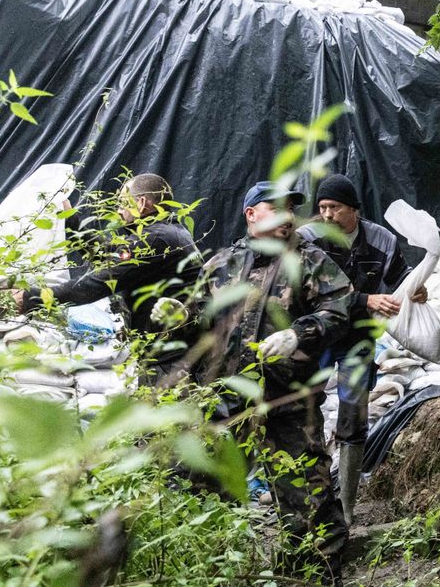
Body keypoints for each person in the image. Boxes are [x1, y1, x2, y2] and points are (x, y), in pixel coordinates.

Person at [187, 180, 353, 585]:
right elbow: (193, 325)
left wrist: (302, 331)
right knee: (208, 490)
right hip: (228, 402)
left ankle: (311, 577)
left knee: (308, 498)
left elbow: (340, 305)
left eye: (292, 209)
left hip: (289, 402)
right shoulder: (222, 265)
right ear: (251, 215)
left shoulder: (309, 261)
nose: (288, 217)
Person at [297, 173, 427, 524]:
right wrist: (367, 299)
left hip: (356, 338)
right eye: (321, 207)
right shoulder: (308, 240)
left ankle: (347, 508)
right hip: (317, 333)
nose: (326, 215)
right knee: (303, 409)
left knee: (353, 412)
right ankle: (310, 500)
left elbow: (402, 278)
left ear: (353, 209)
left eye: (334, 208)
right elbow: (312, 292)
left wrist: (416, 289)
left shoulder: (381, 240)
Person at [14, 173, 202, 384]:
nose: (118, 210)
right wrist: (70, 217)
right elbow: (106, 255)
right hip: (169, 354)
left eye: (122, 203)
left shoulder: (158, 238)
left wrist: (30, 298)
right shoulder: (165, 231)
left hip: (170, 363)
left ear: (141, 203)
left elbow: (96, 284)